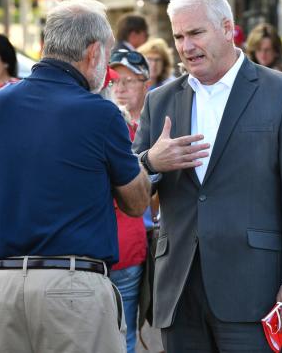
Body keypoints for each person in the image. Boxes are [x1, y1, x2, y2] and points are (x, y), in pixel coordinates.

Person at [133, 0, 282, 352]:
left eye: (195, 33)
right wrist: (151, 162)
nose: (186, 46)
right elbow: (131, 186)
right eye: (178, 36)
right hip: (179, 293)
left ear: (226, 28)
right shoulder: (160, 101)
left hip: (256, 293)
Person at [0, 0, 151, 353]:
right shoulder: (99, 113)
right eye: (106, 55)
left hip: (2, 287)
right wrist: (148, 163)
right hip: (72, 289)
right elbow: (136, 202)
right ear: (92, 53)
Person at [109, 49, 152, 353]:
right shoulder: (107, 123)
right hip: (107, 248)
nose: (120, 88)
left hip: (134, 246)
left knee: (125, 334)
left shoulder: (160, 126)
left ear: (146, 84)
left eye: (128, 81)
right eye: (114, 81)